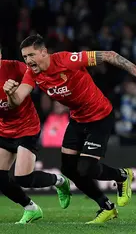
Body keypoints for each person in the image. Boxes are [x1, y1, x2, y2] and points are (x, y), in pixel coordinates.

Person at [3, 34, 136, 224]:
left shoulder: (66, 60)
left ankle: (122, 175)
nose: (28, 61)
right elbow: (18, 99)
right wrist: (10, 94)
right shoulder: (32, 74)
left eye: (31, 55)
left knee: (86, 168)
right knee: (69, 169)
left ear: (44, 52)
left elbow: (109, 55)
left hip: (100, 116)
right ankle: (106, 207)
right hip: (78, 119)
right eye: (25, 57)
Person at [0, 44, 70, 224]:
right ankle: (31, 208)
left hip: (26, 127)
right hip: (4, 129)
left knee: (23, 177)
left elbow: (40, 75)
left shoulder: (15, 67)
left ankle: (59, 181)